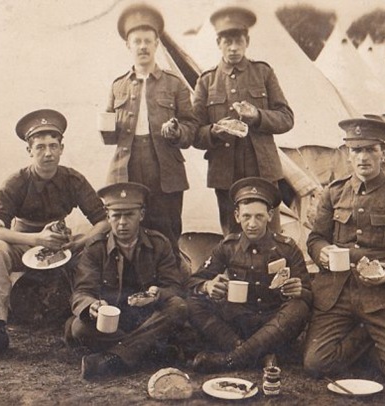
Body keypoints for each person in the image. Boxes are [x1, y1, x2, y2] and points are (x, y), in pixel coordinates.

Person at [0, 109, 110, 364]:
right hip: (24, 243)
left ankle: (89, 321)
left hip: (62, 244)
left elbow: (103, 221)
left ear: (61, 148)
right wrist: (36, 240)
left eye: (53, 146)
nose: (48, 153)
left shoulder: (72, 179)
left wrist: (78, 242)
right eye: (41, 147)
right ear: (29, 151)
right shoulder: (16, 182)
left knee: (96, 246)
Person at [303, 118, 385, 385]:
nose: (363, 157)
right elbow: (315, 239)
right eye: (356, 150)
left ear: (383, 151)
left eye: (370, 149)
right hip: (336, 294)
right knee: (316, 364)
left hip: (380, 296)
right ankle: (367, 335)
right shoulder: (333, 193)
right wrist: (322, 251)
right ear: (347, 154)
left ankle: (373, 333)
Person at [100, 3, 197, 259]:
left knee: (166, 229)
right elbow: (109, 137)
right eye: (137, 41)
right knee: (129, 229)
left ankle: (171, 287)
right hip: (127, 166)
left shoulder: (174, 84)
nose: (142, 46)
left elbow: (192, 127)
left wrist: (178, 132)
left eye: (148, 41)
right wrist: (107, 128)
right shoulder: (117, 86)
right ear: (128, 46)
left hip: (164, 166)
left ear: (156, 44)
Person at [186, 177, 311, 372]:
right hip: (238, 321)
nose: (252, 224)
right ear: (237, 216)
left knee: (299, 307)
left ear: (270, 215)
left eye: (259, 216)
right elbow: (194, 281)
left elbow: (309, 295)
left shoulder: (287, 248)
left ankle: (231, 359)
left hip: (273, 321)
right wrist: (208, 286)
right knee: (194, 303)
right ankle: (256, 354)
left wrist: (299, 290)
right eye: (246, 216)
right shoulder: (227, 247)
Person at [66, 182, 188, 379]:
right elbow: (81, 292)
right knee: (78, 327)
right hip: (112, 321)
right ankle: (152, 352)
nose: (122, 222)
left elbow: (175, 287)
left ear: (141, 215)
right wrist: (92, 306)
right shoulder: (95, 247)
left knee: (178, 307)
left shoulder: (159, 243)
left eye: (129, 215)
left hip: (147, 317)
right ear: (108, 216)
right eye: (116, 215)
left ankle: (112, 359)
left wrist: (157, 295)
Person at [192, 6, 294, 236]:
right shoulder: (206, 81)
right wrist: (216, 131)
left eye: (238, 40)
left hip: (263, 171)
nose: (234, 48)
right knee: (233, 238)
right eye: (227, 41)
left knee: (271, 235)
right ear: (218, 43)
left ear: (247, 41)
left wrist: (258, 116)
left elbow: (286, 118)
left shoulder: (263, 73)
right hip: (225, 173)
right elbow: (195, 133)